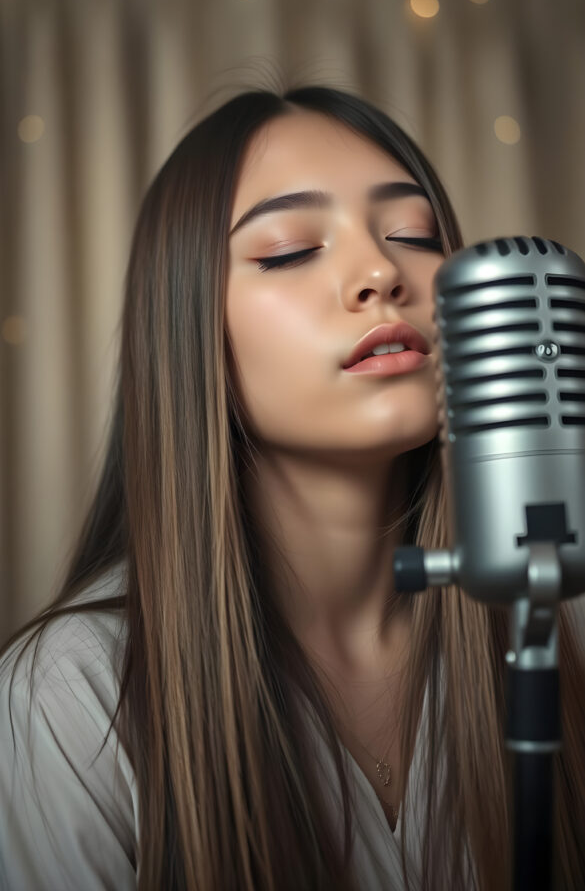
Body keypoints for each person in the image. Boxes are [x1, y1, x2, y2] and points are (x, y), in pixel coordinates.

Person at [1, 86, 584, 891]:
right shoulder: (74, 695)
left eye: (413, 235)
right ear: (190, 333)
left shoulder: (546, 628)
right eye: (286, 249)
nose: (381, 271)